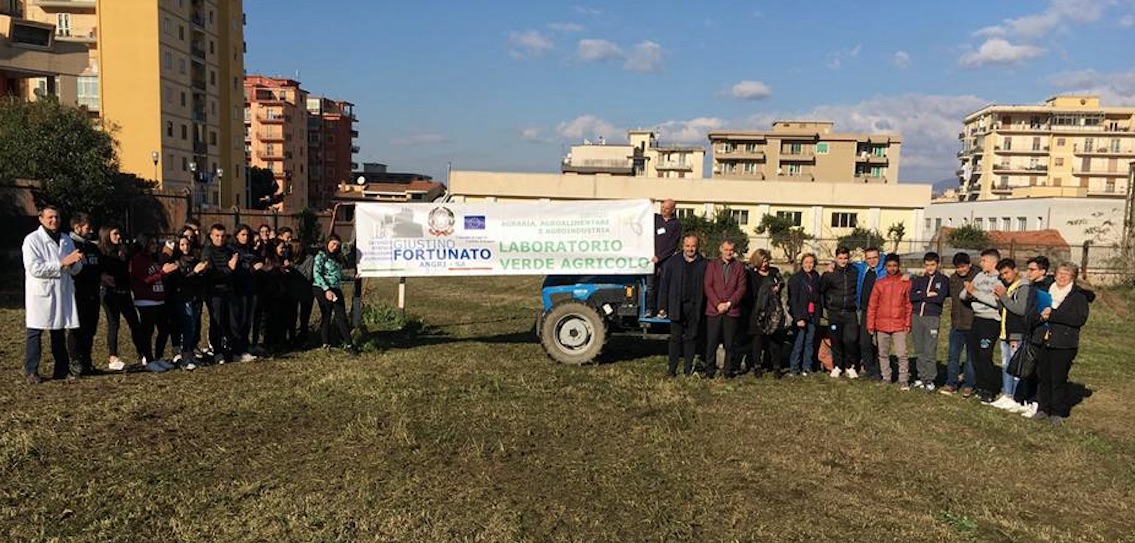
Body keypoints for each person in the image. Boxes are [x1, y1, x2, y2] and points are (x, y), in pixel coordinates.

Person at [22, 206, 84, 384]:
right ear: (41, 219)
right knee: (35, 332)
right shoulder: (32, 240)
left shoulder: (65, 239)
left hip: (62, 291)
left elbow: (76, 268)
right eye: (50, 217)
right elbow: (34, 268)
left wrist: (74, 264)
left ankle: (61, 369)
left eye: (56, 217)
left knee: (59, 331)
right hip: (41, 293)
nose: (54, 220)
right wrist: (62, 263)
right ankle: (31, 370)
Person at [1031, 262, 1092, 427]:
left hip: (1064, 343)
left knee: (1058, 378)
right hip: (1043, 339)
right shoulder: (1046, 292)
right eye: (1059, 274)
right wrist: (1040, 317)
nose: (1062, 278)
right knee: (1043, 376)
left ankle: (1057, 411)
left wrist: (1053, 315)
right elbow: (1035, 312)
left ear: (1072, 278)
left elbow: (1079, 319)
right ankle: (1043, 407)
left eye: (1066, 275)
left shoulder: (1078, 297)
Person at [657, 234, 706, 377]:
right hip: (676, 305)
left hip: (695, 306)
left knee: (691, 338)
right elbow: (664, 285)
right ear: (683, 246)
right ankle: (672, 370)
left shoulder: (704, 264)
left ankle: (687, 369)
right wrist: (662, 306)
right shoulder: (672, 262)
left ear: (697, 247)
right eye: (688, 246)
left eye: (693, 246)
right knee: (675, 339)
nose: (690, 249)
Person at [98, 224, 145, 371]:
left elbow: (137, 246)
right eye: (115, 234)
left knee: (134, 323)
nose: (119, 237)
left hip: (124, 292)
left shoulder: (122, 250)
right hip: (110, 294)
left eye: (119, 234)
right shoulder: (102, 253)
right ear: (106, 235)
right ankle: (113, 358)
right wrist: (103, 277)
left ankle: (142, 353)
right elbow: (96, 270)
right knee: (114, 324)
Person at [960, 248, 1003, 404]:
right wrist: (968, 292)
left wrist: (975, 293)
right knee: (975, 355)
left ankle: (990, 390)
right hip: (977, 319)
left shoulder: (999, 280)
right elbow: (964, 294)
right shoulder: (979, 276)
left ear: (993, 262)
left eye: (984, 260)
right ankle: (980, 386)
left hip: (991, 321)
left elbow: (996, 302)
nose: (981, 263)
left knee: (985, 355)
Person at [129, 233, 177, 364]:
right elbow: (145, 279)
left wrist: (167, 272)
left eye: (156, 243)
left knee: (164, 329)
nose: (155, 246)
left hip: (159, 299)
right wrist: (162, 273)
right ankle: (148, 359)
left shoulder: (155, 259)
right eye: (151, 243)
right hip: (145, 300)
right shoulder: (138, 259)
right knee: (148, 331)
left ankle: (159, 356)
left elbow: (159, 277)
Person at [1015, 256, 1053, 418]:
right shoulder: (1031, 286)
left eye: (1032, 270)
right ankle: (1028, 400)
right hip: (1030, 329)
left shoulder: (1048, 287)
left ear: (1043, 271)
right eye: (1027, 269)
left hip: (1041, 331)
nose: (1028, 272)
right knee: (1028, 367)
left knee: (1038, 369)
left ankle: (1037, 402)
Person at [703, 239, 746, 378]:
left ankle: (728, 370)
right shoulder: (712, 265)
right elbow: (708, 286)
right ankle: (709, 370)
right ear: (721, 249)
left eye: (731, 250)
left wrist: (728, 304)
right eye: (726, 249)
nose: (729, 252)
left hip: (731, 311)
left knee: (730, 343)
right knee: (712, 342)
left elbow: (741, 288)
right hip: (714, 310)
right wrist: (717, 304)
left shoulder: (739, 267)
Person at [867, 254, 911, 388]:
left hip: (899, 324)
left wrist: (908, 322)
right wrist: (870, 324)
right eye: (889, 266)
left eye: (895, 266)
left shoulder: (906, 283)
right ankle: (886, 377)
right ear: (885, 267)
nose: (892, 268)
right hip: (882, 324)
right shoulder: (880, 284)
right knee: (883, 353)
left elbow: (909, 305)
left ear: (899, 266)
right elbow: (872, 305)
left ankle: (903, 378)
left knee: (902, 353)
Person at [66, 213, 102, 377]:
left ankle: (87, 361)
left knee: (90, 329)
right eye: (87, 228)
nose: (91, 230)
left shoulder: (93, 248)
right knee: (77, 329)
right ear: (77, 227)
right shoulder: (69, 245)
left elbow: (98, 268)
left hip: (93, 294)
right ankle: (75, 361)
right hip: (76, 294)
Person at [909, 252, 949, 392]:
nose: (930, 267)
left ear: (938, 265)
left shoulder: (943, 280)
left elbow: (939, 298)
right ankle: (921, 376)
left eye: (932, 265)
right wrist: (926, 295)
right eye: (927, 265)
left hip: (932, 318)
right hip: (917, 317)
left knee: (930, 350)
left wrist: (921, 296)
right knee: (919, 349)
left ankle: (930, 378)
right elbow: (912, 296)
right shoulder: (919, 279)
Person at [168, 236, 208, 369]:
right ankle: (185, 355)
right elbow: (181, 281)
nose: (185, 247)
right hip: (183, 298)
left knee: (193, 327)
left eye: (187, 244)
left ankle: (190, 353)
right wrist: (195, 272)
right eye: (182, 245)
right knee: (187, 327)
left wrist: (202, 272)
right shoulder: (177, 262)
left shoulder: (194, 260)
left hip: (195, 297)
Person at [821, 246, 860, 379]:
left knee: (851, 340)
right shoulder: (829, 274)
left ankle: (850, 366)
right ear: (836, 258)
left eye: (845, 258)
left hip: (850, 312)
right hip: (834, 313)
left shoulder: (854, 271)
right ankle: (837, 366)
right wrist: (826, 307)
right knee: (835, 340)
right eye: (840, 258)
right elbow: (822, 290)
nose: (843, 261)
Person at [941, 252, 977, 396]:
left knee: (970, 357)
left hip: (972, 323)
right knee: (953, 355)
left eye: (963, 267)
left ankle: (969, 384)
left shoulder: (977, 277)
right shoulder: (953, 279)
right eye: (958, 267)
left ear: (969, 265)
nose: (961, 270)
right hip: (956, 323)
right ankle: (951, 382)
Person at [746, 248, 786, 378]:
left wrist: (778, 287)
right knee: (757, 339)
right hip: (757, 310)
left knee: (775, 340)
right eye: (762, 261)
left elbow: (782, 283)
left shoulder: (774, 272)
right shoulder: (751, 273)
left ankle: (776, 366)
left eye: (767, 261)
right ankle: (757, 366)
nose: (765, 264)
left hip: (773, 311)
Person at [201, 223, 236, 363]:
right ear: (211, 236)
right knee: (217, 321)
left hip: (228, 290)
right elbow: (212, 274)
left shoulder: (228, 250)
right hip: (214, 292)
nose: (220, 239)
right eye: (217, 236)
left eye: (222, 236)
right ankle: (216, 351)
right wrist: (229, 269)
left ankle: (229, 348)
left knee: (230, 321)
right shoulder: (207, 252)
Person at [313, 233, 355, 351]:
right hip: (322, 288)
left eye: (338, 245)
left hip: (336, 288)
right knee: (326, 315)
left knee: (341, 316)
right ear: (328, 244)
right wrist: (326, 289)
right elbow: (316, 273)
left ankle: (349, 344)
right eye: (333, 244)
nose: (335, 247)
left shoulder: (336, 258)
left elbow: (338, 276)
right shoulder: (321, 256)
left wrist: (352, 279)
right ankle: (326, 343)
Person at [231, 224, 265, 362]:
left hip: (252, 288)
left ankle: (246, 346)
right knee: (239, 321)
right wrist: (252, 268)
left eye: (247, 235)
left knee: (247, 321)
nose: (245, 237)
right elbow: (237, 269)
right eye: (243, 235)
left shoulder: (249, 249)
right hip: (239, 290)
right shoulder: (233, 250)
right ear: (237, 235)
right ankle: (238, 351)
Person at [853, 247, 885, 381]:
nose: (872, 260)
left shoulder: (884, 271)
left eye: (874, 257)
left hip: (881, 311)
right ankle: (868, 368)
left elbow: (899, 274)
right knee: (864, 341)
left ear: (879, 257)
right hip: (866, 310)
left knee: (881, 343)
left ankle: (879, 371)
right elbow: (849, 264)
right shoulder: (862, 269)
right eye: (869, 258)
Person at [787, 253, 821, 376]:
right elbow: (793, 300)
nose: (809, 265)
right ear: (802, 264)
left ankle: (806, 367)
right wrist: (798, 317)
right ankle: (794, 367)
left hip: (812, 314)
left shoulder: (816, 277)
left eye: (811, 262)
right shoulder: (796, 278)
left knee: (809, 342)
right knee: (798, 342)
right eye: (806, 262)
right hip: (801, 314)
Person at [649, 199, 681, 318]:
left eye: (666, 208)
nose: (663, 210)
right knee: (650, 285)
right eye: (662, 207)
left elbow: (673, 244)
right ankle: (650, 308)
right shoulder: (655, 219)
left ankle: (662, 309)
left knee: (664, 284)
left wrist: (660, 257)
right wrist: (648, 203)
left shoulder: (676, 224)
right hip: (652, 258)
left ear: (672, 210)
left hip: (666, 259)